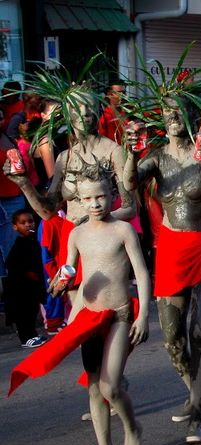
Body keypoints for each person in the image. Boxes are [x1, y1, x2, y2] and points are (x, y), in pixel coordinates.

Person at [8, 167, 150, 445]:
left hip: (119, 315)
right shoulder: (77, 234)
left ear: (112, 195)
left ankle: (132, 429)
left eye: (101, 196)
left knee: (111, 387)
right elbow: (68, 273)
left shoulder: (122, 230)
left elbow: (141, 272)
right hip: (87, 318)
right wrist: (58, 285)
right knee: (94, 389)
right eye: (88, 198)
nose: (96, 203)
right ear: (79, 200)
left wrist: (144, 316)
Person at [123, 94, 201, 444]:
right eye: (167, 113)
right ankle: (195, 394)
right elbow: (129, 183)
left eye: (180, 113)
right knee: (172, 339)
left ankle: (196, 415)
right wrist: (131, 153)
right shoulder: (156, 156)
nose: (173, 118)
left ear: (192, 116)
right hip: (171, 250)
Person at [3, 84, 136, 313]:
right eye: (78, 108)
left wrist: (96, 221)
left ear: (97, 110)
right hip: (72, 240)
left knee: (105, 315)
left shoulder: (114, 152)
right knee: (80, 319)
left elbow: (130, 207)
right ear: (68, 115)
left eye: (89, 107)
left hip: (104, 242)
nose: (84, 113)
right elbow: (47, 211)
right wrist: (23, 183)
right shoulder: (64, 158)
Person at [5, 209, 47, 348]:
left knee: (32, 311)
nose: (28, 225)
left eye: (30, 221)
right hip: (20, 288)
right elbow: (12, 264)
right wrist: (28, 274)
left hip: (31, 287)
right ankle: (25, 338)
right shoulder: (20, 244)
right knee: (23, 313)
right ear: (15, 227)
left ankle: (33, 334)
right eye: (23, 223)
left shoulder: (33, 242)